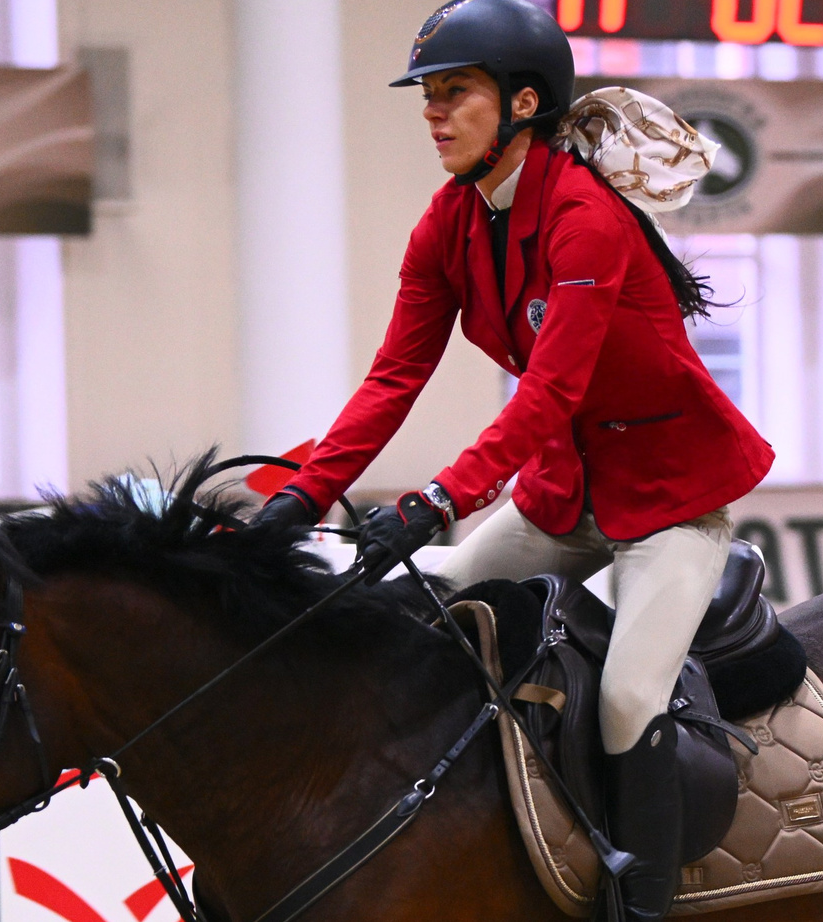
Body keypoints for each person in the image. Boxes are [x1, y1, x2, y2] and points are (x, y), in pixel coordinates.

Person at [251, 1, 774, 918]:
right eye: (428, 96)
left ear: (523, 102)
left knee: (624, 699)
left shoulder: (586, 219)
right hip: (561, 496)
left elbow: (549, 395)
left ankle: (639, 908)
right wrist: (302, 497)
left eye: (454, 94)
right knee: (418, 616)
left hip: (668, 502)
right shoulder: (447, 222)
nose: (432, 114)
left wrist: (432, 500)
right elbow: (393, 377)